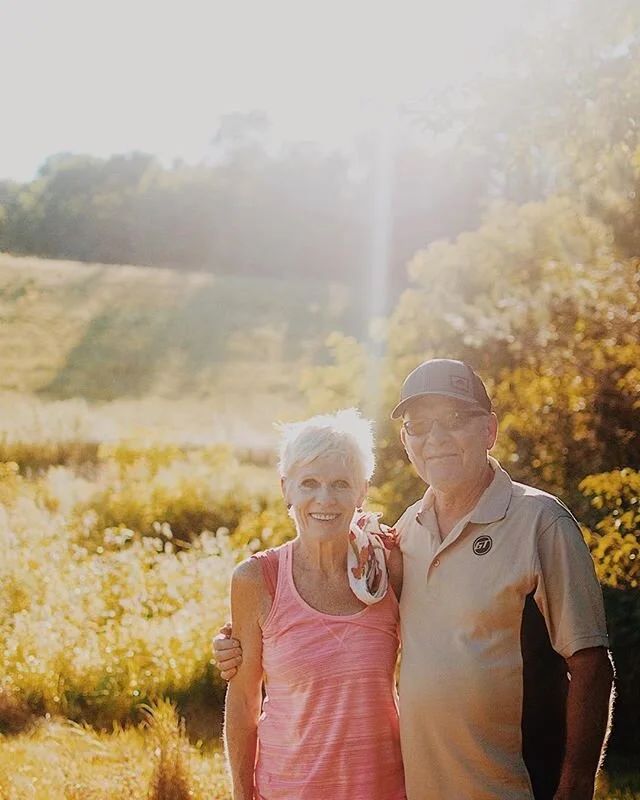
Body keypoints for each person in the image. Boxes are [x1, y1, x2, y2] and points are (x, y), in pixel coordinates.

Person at [216, 359, 613, 800]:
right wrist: (235, 646)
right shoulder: (405, 537)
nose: (436, 439)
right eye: (419, 426)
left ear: (490, 431)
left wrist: (576, 782)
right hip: (414, 788)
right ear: (405, 441)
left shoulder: (536, 524)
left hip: (509, 787)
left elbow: (592, 663)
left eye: (455, 420)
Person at [223, 408, 406, 800]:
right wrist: (241, 793)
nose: (325, 499)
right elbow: (242, 700)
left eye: (341, 483)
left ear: (362, 491)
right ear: (286, 488)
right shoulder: (256, 580)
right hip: (286, 790)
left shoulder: (389, 567)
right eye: (309, 483)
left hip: (384, 789)